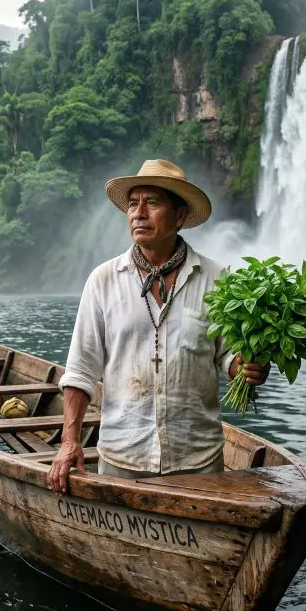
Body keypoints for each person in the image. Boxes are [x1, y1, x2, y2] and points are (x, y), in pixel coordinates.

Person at [48, 159, 269, 493]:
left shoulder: (216, 280)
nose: (139, 213)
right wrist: (69, 442)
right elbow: (81, 371)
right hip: (122, 461)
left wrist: (249, 368)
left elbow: (227, 356)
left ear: (179, 217)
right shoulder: (103, 280)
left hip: (198, 461)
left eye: (152, 203)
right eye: (133, 204)